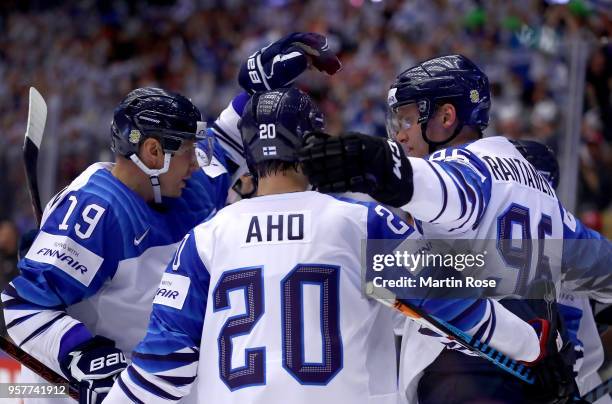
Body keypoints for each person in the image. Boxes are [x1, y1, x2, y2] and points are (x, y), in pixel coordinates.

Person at [103, 87, 543, 404]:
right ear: (312, 141)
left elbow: (161, 371)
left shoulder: (204, 240)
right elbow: (458, 311)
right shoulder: (363, 222)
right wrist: (529, 348)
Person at [2, 32, 342, 404]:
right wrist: (83, 354)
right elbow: (23, 306)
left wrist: (260, 87)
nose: (198, 162)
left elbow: (227, 140)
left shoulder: (185, 179)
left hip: (162, 381)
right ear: (152, 152)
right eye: (187, 152)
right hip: (103, 390)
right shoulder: (96, 211)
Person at [298, 54, 612, 403]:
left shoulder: (459, 166)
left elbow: (442, 189)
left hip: (465, 372)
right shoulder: (535, 185)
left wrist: (378, 165)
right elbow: (599, 263)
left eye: (406, 119)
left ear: (446, 118)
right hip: (529, 377)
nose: (400, 134)